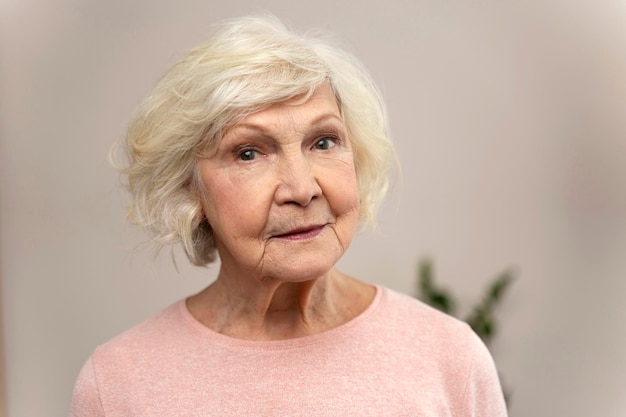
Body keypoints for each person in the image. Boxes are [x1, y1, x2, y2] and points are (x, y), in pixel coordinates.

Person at [70, 15, 507, 416]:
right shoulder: (118, 383)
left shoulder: (450, 357)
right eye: (248, 153)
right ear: (189, 189)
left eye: (323, 142)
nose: (301, 189)